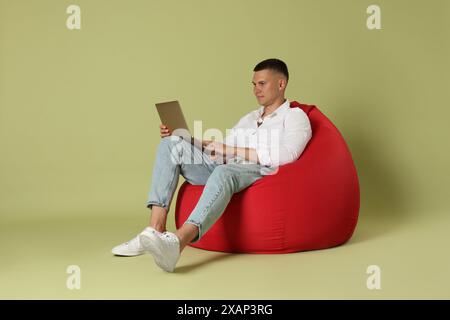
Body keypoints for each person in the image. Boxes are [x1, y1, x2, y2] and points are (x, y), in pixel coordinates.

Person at [111, 58, 312, 272]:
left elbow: (288, 155)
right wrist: (185, 138)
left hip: (259, 171)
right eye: (253, 84)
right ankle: (155, 230)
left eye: (262, 83)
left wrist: (232, 151)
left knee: (225, 171)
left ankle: (177, 243)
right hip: (226, 166)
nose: (256, 90)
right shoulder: (250, 118)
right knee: (170, 145)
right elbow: (221, 148)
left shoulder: (294, 116)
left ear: (281, 84)